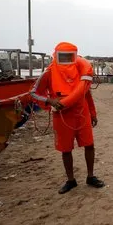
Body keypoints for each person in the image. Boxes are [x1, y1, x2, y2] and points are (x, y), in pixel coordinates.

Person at [30, 42, 105, 194]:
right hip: (62, 115)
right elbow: (33, 92)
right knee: (66, 149)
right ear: (56, 55)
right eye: (62, 56)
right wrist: (50, 101)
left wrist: (93, 113)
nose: (66, 59)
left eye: (69, 56)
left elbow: (86, 93)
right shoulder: (49, 73)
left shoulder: (80, 70)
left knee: (89, 145)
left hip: (81, 114)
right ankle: (71, 180)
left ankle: (90, 176)